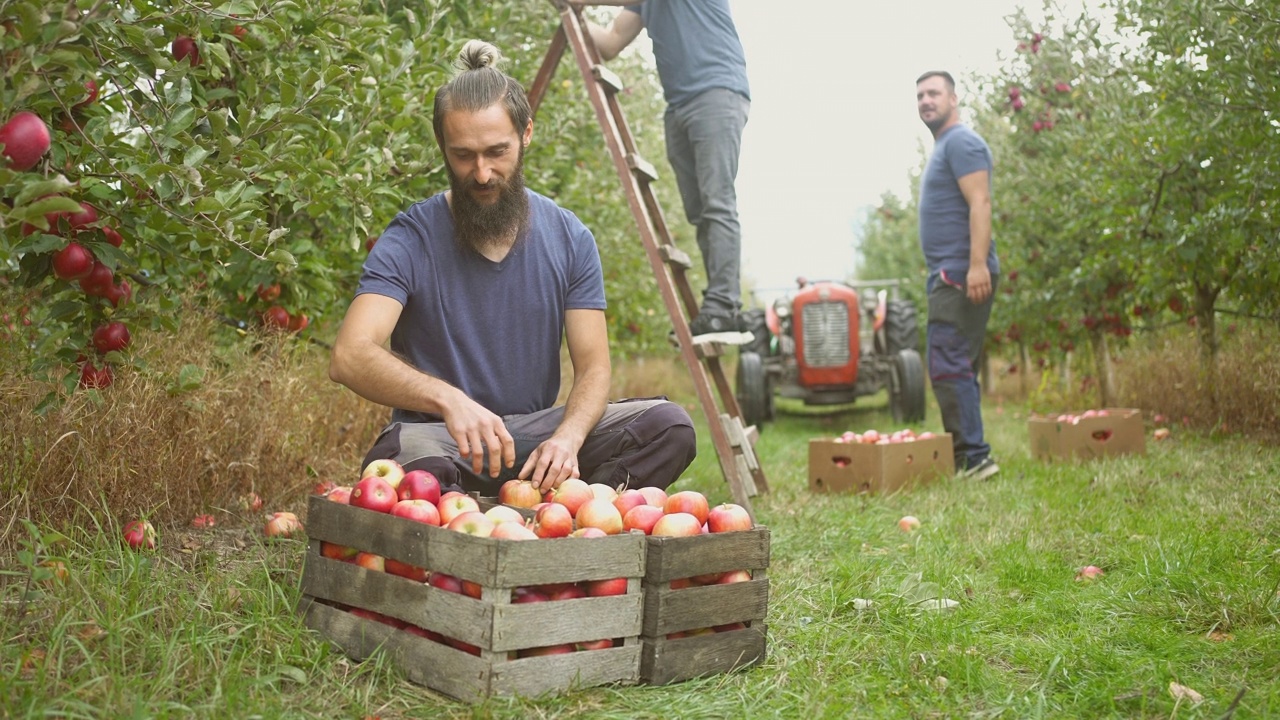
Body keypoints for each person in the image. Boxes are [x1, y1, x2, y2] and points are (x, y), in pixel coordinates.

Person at [329, 40, 697, 496]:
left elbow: (595, 367)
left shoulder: (570, 238)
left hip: (533, 437)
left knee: (669, 427)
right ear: (443, 146)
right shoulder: (411, 237)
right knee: (408, 467)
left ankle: (570, 512)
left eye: (496, 152)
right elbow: (349, 355)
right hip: (441, 440)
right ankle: (483, 514)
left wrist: (567, 437)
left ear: (526, 134)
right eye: (463, 155)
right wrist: (449, 400)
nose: (481, 173)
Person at [582, 0, 751, 343]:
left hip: (716, 93)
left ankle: (724, 307)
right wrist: (572, 14)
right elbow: (611, 41)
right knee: (699, 211)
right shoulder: (647, 4)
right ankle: (718, 308)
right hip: (678, 106)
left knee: (717, 203)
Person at [915, 70, 1000, 481]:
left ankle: (973, 458)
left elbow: (980, 202)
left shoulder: (962, 142)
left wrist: (977, 264)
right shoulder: (946, 146)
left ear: (953, 98)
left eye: (934, 93)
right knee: (958, 363)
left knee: (948, 363)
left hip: (961, 273)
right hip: (951, 272)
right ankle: (970, 455)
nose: (925, 101)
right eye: (920, 96)